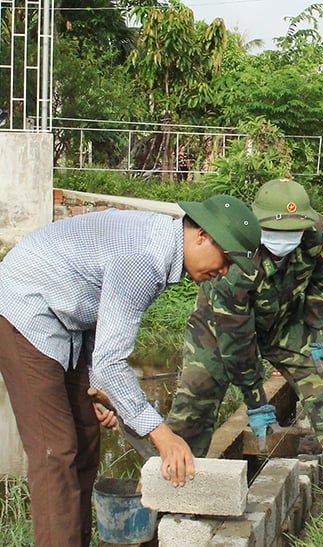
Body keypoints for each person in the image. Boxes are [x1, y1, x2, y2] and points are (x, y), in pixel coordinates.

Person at [0, 195, 260, 547]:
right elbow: (111, 363)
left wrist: (97, 384)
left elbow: (101, 320)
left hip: (68, 317)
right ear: (201, 236)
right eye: (225, 258)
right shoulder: (145, 260)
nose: (224, 271)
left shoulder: (160, 245)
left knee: (86, 439)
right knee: (55, 452)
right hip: (25, 309)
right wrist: (163, 436)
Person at [165, 180, 323, 475]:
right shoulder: (235, 256)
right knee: (196, 401)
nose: (284, 237)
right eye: (274, 231)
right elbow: (236, 337)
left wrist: (322, 335)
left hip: (284, 319)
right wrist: (255, 399)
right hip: (217, 330)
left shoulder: (315, 233)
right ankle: (171, 483)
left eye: (292, 231)